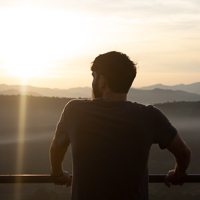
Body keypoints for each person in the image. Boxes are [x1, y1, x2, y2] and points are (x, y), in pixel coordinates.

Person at [49, 51, 191, 200]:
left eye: (94, 77)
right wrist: (179, 173)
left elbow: (56, 149)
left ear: (102, 81)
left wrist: (57, 173)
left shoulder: (74, 111)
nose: (93, 82)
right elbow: (183, 152)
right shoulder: (150, 116)